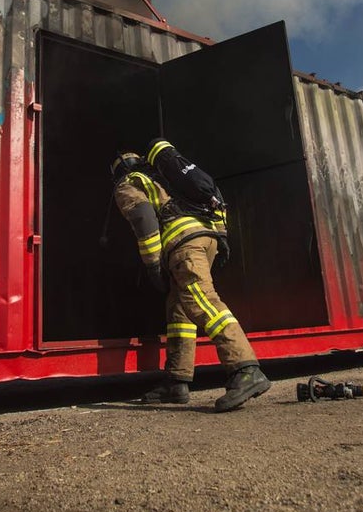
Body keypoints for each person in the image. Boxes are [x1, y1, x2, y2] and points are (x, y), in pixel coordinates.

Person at [110, 140, 271, 412]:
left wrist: (152, 265)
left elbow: (143, 219)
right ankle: (177, 380)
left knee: (201, 299)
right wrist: (220, 237)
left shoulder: (129, 183)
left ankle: (245, 368)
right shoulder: (169, 176)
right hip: (206, 239)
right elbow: (216, 200)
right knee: (179, 310)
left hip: (184, 244)